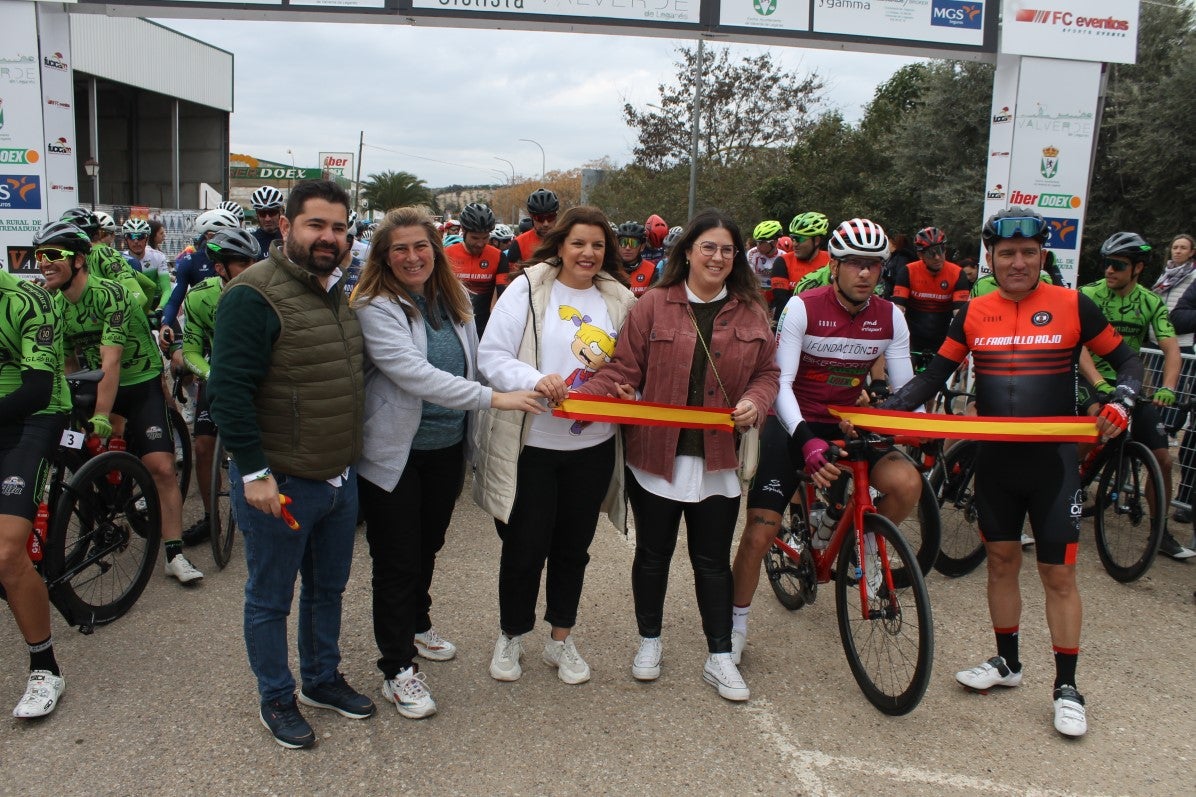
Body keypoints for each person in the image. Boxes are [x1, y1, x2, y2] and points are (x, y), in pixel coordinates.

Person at [880, 207, 1144, 738]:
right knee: (1000, 563)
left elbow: (1129, 361)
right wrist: (888, 408)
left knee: (1058, 574)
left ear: (1042, 256)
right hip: (996, 461)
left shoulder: (1072, 304)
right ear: (992, 260)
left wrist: (1122, 399)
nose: (1018, 263)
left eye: (1027, 253)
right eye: (1007, 255)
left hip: (1052, 464)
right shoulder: (975, 312)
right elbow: (934, 376)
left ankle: (1067, 687)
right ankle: (1007, 663)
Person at [576, 210, 778, 702]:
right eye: (708, 247)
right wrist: (578, 395)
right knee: (653, 555)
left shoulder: (752, 312)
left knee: (711, 560)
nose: (718, 257)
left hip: (717, 460)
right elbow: (624, 368)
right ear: (687, 251)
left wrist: (756, 402)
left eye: (727, 250)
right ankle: (649, 642)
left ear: (737, 258)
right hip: (655, 457)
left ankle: (719, 655)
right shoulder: (651, 306)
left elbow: (768, 373)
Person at [351, 206, 543, 719]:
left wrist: (527, 377)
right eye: (400, 249)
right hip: (394, 455)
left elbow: (479, 359)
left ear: (436, 251)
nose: (413, 257)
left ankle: (416, 621)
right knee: (396, 559)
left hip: (444, 449)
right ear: (384, 257)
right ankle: (396, 668)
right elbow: (412, 373)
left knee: (428, 545)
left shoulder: (451, 301)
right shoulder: (375, 305)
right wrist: (495, 399)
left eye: (421, 247)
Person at [208, 180, 374, 749]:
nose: (329, 237)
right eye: (316, 225)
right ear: (286, 227)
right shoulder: (253, 295)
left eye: (338, 227)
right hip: (280, 484)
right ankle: (276, 695)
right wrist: (254, 473)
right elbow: (226, 393)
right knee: (271, 597)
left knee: (328, 590)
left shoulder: (336, 291)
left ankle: (321, 680)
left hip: (337, 477)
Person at [730, 218, 921, 665]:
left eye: (873, 265)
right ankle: (734, 626)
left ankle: (860, 547)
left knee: (907, 483)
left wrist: (916, 426)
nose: (864, 273)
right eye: (854, 263)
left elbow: (906, 387)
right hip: (792, 419)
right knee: (761, 532)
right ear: (834, 265)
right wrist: (806, 439)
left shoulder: (890, 316)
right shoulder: (803, 307)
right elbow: (782, 381)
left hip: (848, 422)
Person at [474, 205, 636, 686]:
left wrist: (630, 389)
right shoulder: (526, 290)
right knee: (525, 547)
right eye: (578, 243)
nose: (588, 253)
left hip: (593, 447)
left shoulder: (621, 300)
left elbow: (631, 365)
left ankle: (560, 639)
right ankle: (512, 635)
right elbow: (491, 355)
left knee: (573, 549)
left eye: (598, 245)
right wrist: (534, 379)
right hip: (535, 446)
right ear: (560, 244)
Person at [36, 220, 203, 589]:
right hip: (99, 383)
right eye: (39, 256)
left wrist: (99, 414)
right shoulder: (54, 305)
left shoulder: (110, 295)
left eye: (52, 256)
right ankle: (106, 499)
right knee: (87, 449)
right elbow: (69, 366)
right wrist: (76, 413)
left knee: (159, 467)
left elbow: (110, 363)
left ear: (78, 260)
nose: (43, 263)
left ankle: (174, 553)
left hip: (137, 381)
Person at [1077, 232, 1193, 560]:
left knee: (1162, 459)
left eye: (1118, 265)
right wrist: (1098, 381)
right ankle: (1057, 496)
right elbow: (1078, 345)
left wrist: (1168, 387)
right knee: (1093, 424)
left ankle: (1160, 531)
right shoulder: (1088, 295)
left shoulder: (1151, 302)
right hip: (1087, 378)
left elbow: (1171, 349)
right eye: (1106, 264)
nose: (1109, 270)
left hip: (1129, 386)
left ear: (1138, 268)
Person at [1, 239, 72, 718]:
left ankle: (45, 667)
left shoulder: (27, 301)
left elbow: (37, 387)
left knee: (6, 551)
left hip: (34, 416)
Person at [177, 228, 262, 546]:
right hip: (221, 376)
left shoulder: (269, 291)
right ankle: (211, 517)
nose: (252, 268)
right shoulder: (199, 296)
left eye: (253, 261)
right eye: (242, 263)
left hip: (262, 379)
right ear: (220, 268)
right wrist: (213, 375)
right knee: (202, 446)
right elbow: (191, 352)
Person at [890, 226, 971, 364]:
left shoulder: (957, 273)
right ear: (921, 255)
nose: (938, 257)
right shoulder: (908, 271)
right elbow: (898, 310)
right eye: (931, 254)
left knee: (937, 381)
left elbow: (959, 314)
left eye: (941, 250)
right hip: (911, 337)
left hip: (942, 337)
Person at [445, 202, 502, 334]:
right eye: (475, 238)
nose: (480, 243)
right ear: (463, 231)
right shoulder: (447, 255)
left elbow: (501, 293)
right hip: (454, 327)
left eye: (485, 237)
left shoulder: (498, 256)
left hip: (485, 328)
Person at [771, 212, 831, 321]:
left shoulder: (831, 261)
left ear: (816, 240)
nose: (794, 244)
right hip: (792, 320)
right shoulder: (783, 261)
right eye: (793, 238)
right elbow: (781, 301)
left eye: (799, 239)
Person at [122, 218, 171, 311]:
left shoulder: (158, 256)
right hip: (132, 305)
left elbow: (167, 289)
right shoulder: (120, 259)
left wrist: (160, 308)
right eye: (131, 236)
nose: (136, 241)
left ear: (147, 238)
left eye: (140, 236)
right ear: (126, 240)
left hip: (156, 303)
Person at [747, 220, 784, 310]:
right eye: (757, 242)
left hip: (775, 296)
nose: (758, 246)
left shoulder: (783, 256)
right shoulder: (752, 253)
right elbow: (749, 279)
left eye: (762, 242)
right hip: (757, 294)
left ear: (774, 242)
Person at [615, 220, 657, 297]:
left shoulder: (652, 270)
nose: (627, 248)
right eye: (623, 242)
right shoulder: (610, 268)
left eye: (633, 243)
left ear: (642, 247)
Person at [249, 185, 286, 255]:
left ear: (281, 212)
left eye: (272, 212)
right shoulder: (251, 241)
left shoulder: (291, 238)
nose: (267, 219)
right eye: (262, 213)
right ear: (257, 215)